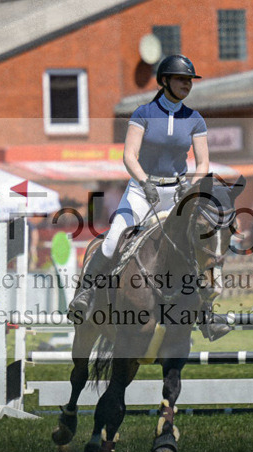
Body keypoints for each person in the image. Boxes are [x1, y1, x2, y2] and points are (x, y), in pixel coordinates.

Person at [66, 54, 231, 340]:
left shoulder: (195, 118)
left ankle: (208, 313)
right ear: (165, 81)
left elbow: (203, 163)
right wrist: (145, 182)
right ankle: (86, 295)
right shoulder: (143, 113)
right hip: (143, 190)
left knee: (198, 246)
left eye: (189, 80)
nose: (187, 85)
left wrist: (191, 186)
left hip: (179, 192)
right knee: (111, 241)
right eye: (181, 79)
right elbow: (129, 155)